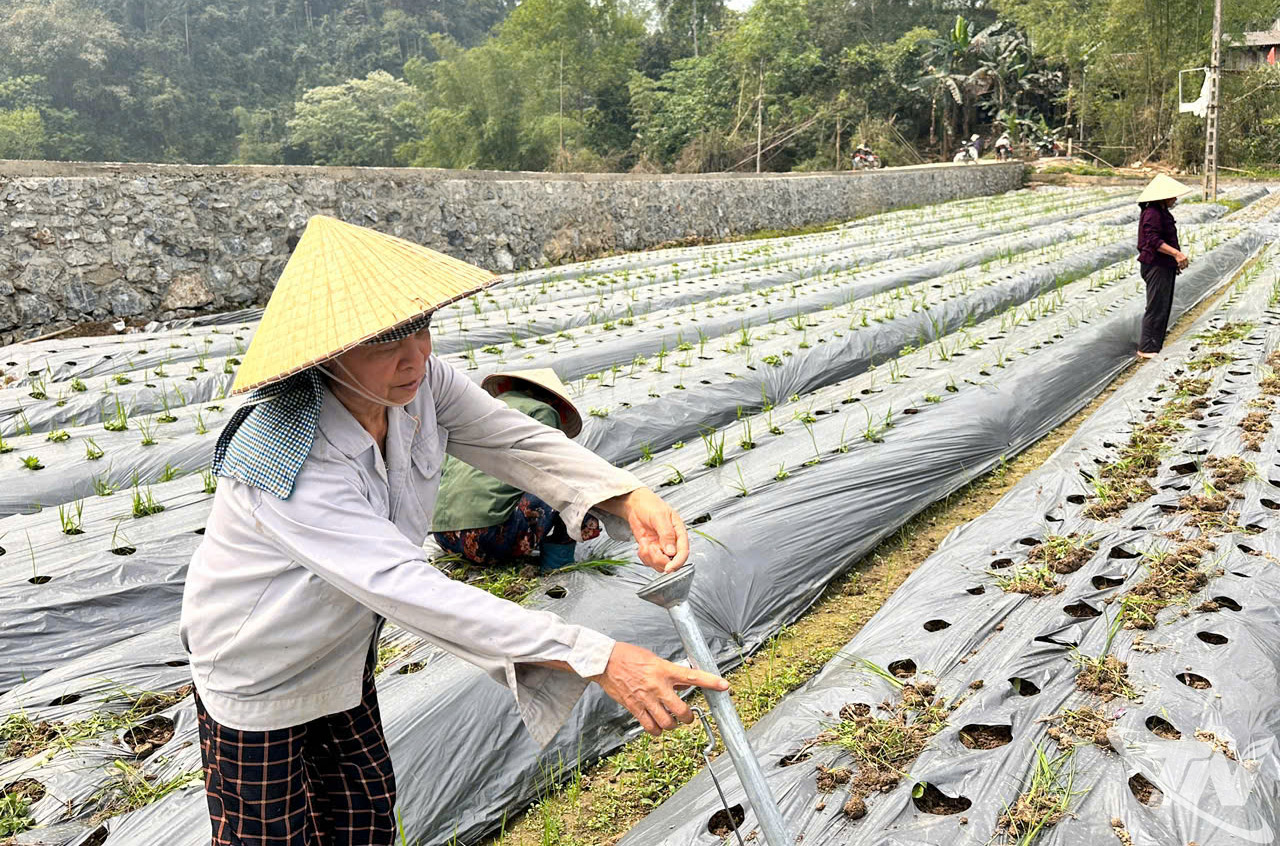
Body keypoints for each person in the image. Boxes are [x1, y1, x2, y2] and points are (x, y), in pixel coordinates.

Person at [179, 215, 728, 846]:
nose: (416, 357)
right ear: (329, 354)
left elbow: (514, 438)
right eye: (387, 342)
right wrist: (595, 655)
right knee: (273, 836)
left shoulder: (418, 386)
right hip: (258, 668)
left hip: (341, 652)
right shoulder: (283, 453)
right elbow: (403, 585)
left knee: (363, 819)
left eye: (421, 329)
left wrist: (628, 496)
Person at [433, 368, 596, 570]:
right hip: (490, 541)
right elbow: (550, 468)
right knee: (569, 481)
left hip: (444, 537)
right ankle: (557, 564)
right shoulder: (542, 411)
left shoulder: (480, 411)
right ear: (552, 400)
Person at [1135, 174, 1193, 359]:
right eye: (1173, 196)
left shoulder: (1161, 211)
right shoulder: (1152, 212)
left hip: (1163, 265)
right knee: (1156, 306)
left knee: (1163, 305)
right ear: (1163, 196)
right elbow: (1152, 240)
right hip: (1155, 265)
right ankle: (1146, 348)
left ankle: (1154, 347)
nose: (1175, 199)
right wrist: (1176, 253)